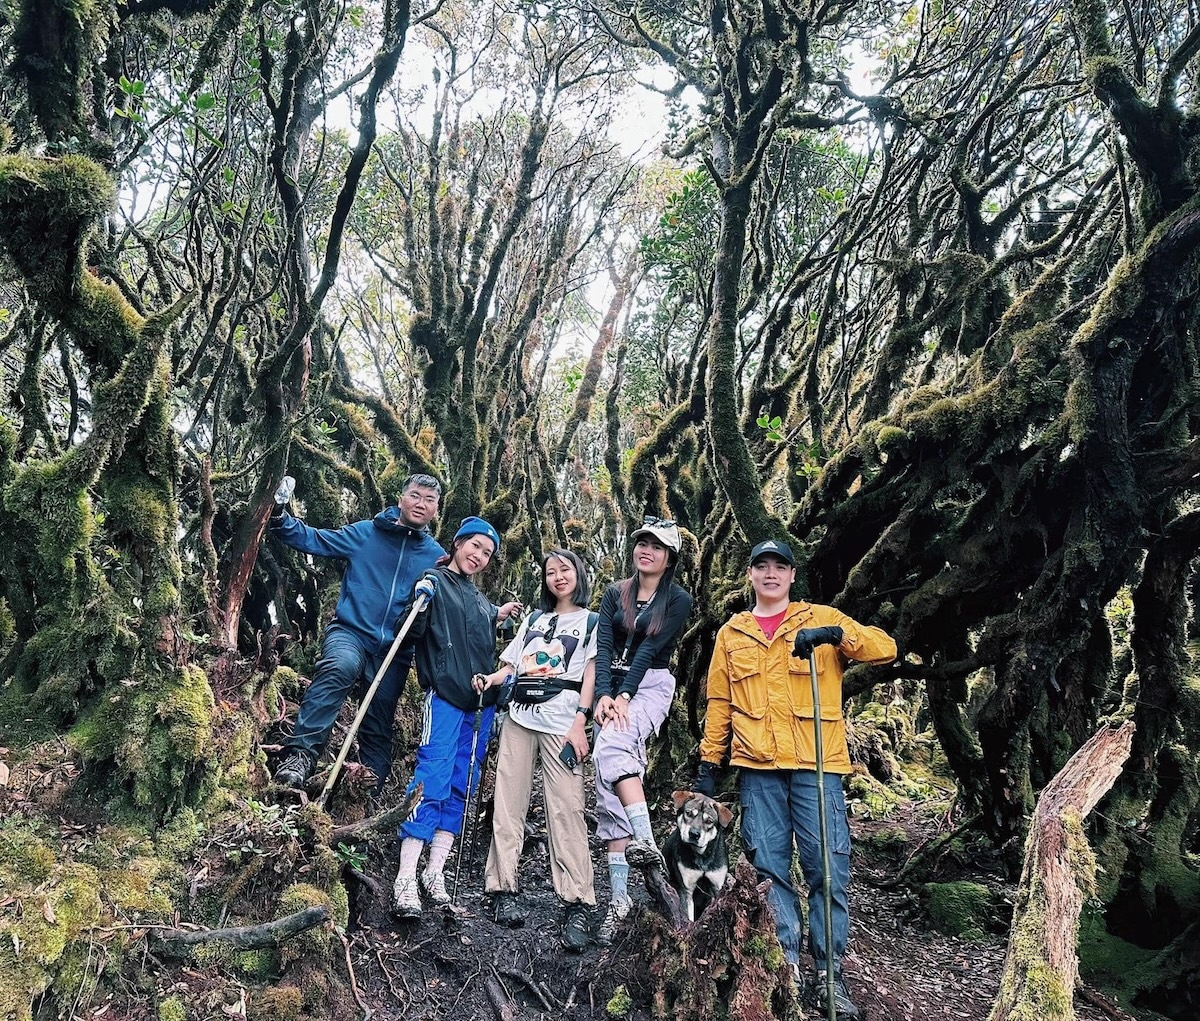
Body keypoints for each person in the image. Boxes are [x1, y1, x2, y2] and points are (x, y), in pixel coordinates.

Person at [696, 539, 897, 1020]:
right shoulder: (732, 633)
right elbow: (720, 704)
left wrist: (834, 636)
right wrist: (708, 767)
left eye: (779, 567)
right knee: (768, 870)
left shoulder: (819, 617)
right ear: (749, 575)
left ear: (791, 575)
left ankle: (830, 974)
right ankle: (784, 966)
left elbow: (885, 649)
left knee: (827, 869)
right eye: (761, 566)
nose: (770, 574)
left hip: (817, 767)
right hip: (757, 770)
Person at [269, 473, 445, 789]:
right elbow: (316, 540)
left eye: (429, 500)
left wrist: (493, 615)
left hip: (394, 651)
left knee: (378, 721)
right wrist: (279, 517)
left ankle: (367, 790)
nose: (421, 504)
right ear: (401, 498)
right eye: (415, 496)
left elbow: (456, 600)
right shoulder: (367, 534)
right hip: (350, 631)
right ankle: (300, 757)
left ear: (436, 509)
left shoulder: (436, 557)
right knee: (340, 667)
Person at [390, 516, 522, 918]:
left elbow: (479, 635)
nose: (479, 556)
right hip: (445, 697)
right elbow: (407, 632)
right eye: (475, 546)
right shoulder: (433, 581)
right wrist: (420, 598)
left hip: (479, 708)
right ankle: (405, 876)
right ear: (458, 542)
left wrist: (499, 613)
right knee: (433, 777)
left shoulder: (482, 602)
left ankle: (436, 872)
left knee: (463, 784)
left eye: (487, 553)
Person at [474, 549, 598, 952]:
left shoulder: (592, 622)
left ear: (579, 574)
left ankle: (577, 901)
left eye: (565, 570)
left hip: (563, 724)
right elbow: (512, 665)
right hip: (519, 719)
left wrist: (582, 721)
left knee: (567, 808)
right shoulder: (532, 620)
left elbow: (592, 676)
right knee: (508, 802)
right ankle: (502, 889)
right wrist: (490, 679)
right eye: (550, 572)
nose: (558, 577)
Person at [591, 516, 693, 944]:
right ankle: (619, 901)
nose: (646, 550)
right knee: (608, 782)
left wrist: (625, 697)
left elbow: (650, 647)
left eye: (656, 545)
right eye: (641, 543)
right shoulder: (616, 592)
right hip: (611, 685)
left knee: (612, 747)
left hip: (649, 684)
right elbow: (604, 645)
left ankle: (647, 840)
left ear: (669, 557)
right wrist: (602, 694)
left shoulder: (679, 600)